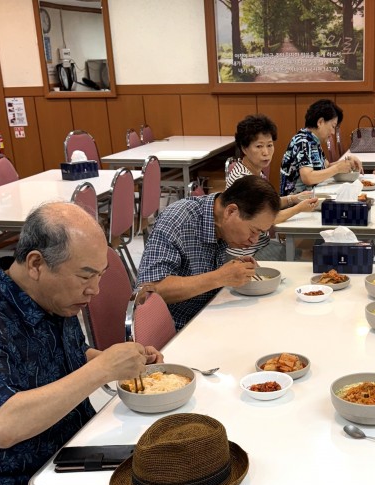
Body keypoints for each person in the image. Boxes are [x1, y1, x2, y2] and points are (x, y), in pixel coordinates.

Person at [0, 202, 167, 485]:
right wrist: (102, 370)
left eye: (100, 276)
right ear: (36, 264)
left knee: (173, 470)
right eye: (85, 276)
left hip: (71, 452)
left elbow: (72, 354)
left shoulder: (53, 296)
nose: (95, 290)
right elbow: (2, 427)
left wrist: (117, 362)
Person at [138, 175, 280, 331]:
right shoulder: (178, 220)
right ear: (231, 211)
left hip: (210, 316)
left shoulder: (219, 221)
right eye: (253, 231)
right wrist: (220, 277)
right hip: (176, 331)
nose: (254, 240)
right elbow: (148, 291)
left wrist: (233, 267)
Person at [225, 114, 318, 260]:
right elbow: (269, 219)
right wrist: (299, 208)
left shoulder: (253, 171)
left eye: (269, 145)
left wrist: (293, 199)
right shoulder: (243, 179)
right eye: (259, 146)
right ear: (244, 148)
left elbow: (262, 206)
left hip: (262, 244)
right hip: (248, 254)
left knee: (313, 250)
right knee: (310, 257)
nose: (266, 152)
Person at [279, 98, 363, 196]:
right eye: (332, 126)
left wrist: (347, 162)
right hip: (296, 204)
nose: (333, 132)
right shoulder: (302, 141)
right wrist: (337, 168)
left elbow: (326, 167)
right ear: (320, 122)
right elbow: (308, 177)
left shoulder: (313, 140)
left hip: (311, 198)